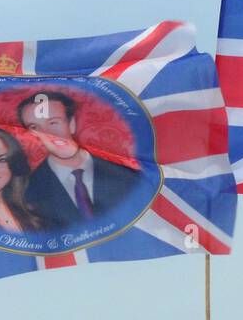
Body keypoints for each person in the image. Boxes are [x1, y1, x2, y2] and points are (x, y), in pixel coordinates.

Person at [16, 89, 146, 230]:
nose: (47, 134)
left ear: (71, 124)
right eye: (35, 127)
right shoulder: (26, 193)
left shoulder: (128, 175)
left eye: (53, 123)